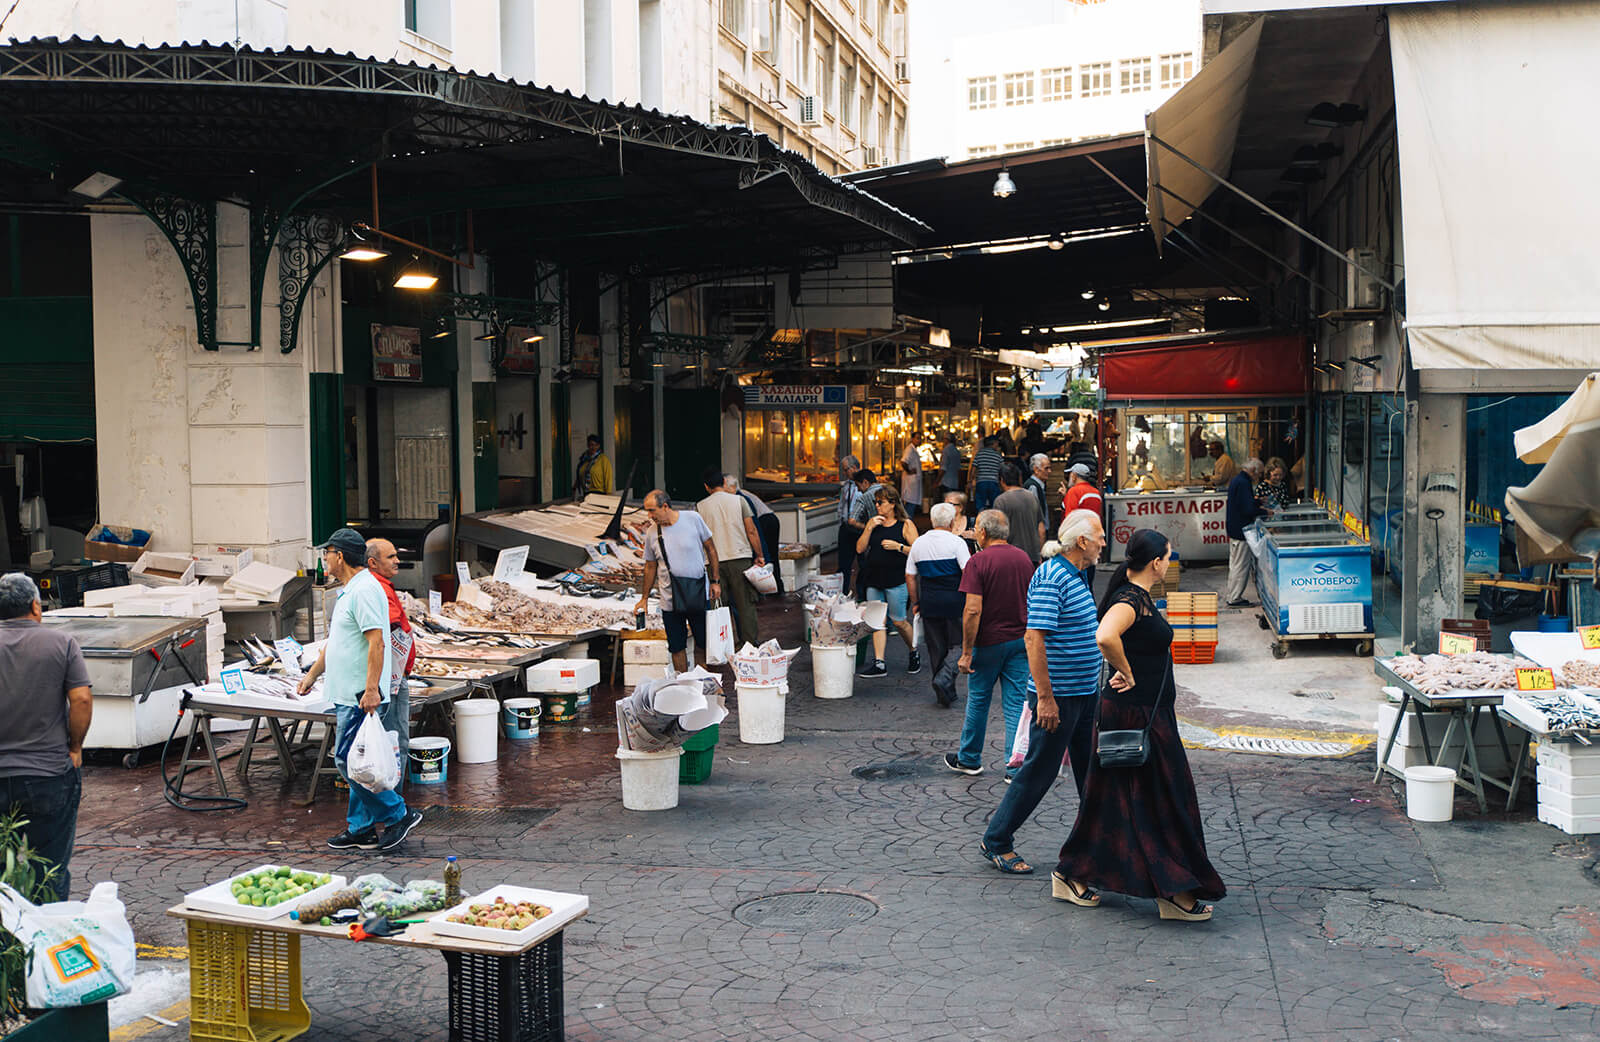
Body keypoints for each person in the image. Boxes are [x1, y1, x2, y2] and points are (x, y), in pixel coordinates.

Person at [1051, 528, 1226, 921]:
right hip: (1135, 715)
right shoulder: (1130, 599)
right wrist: (1126, 672)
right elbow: (1105, 635)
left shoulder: (1138, 596)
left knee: (1118, 803)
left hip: (1145, 714)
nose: (1170, 561)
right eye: (1168, 556)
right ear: (1156, 562)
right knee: (1165, 798)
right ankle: (1172, 887)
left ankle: (1076, 873)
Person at [979, 510, 1106, 874]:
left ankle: (1098, 839)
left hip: (1082, 694)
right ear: (1081, 541)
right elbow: (1034, 639)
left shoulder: (1076, 574)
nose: (1103, 542)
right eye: (1098, 535)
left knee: (1089, 771)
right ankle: (997, 839)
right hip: (1059, 698)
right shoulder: (1053, 577)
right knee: (1039, 770)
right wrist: (1046, 699)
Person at [299, 528, 423, 852]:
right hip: (347, 692)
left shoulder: (364, 590)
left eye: (326, 554)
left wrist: (371, 690)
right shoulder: (349, 590)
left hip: (359, 695)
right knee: (357, 759)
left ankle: (398, 813)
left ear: (339, 556)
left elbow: (377, 642)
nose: (324, 560)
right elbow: (338, 642)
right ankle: (361, 828)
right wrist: (312, 674)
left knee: (346, 760)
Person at [0, 573, 91, 900]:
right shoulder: (61, 643)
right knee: (49, 869)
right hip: (48, 774)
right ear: (35, 607)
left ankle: (8, 943)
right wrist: (75, 746)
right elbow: (81, 699)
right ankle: (45, 940)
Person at [946, 510, 1034, 778]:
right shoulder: (1024, 559)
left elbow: (973, 610)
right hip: (1019, 640)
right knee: (1017, 704)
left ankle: (970, 758)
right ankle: (1014, 765)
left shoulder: (978, 562)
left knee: (979, 700)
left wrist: (966, 652)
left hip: (987, 643)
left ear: (982, 532)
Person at [635, 490, 720, 673]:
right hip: (669, 599)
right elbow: (650, 567)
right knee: (676, 645)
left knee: (703, 641)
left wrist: (715, 580)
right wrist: (644, 598)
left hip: (697, 592)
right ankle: (683, 681)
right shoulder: (652, 532)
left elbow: (711, 549)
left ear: (665, 506)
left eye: (652, 511)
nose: (649, 516)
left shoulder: (693, 519)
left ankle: (702, 678)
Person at [905, 502, 971, 706]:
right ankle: (944, 680)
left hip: (929, 601)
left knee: (936, 647)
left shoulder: (919, 544)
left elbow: (910, 576)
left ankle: (943, 690)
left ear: (933, 521)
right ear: (952, 522)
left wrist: (916, 602)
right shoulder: (957, 543)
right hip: (955, 601)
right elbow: (968, 572)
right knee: (960, 644)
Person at [856, 486, 920, 678]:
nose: (877, 506)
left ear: (892, 504)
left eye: (880, 502)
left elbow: (918, 550)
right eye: (876, 502)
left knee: (899, 622)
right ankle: (879, 662)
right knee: (877, 622)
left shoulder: (905, 524)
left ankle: (913, 650)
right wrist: (868, 527)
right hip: (874, 579)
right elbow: (860, 549)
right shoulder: (873, 524)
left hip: (896, 580)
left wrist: (898, 547)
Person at [365, 538, 415, 780]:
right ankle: (393, 800)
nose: (397, 561)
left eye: (396, 555)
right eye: (391, 557)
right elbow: (390, 631)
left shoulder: (379, 585)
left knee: (391, 737)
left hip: (389, 676)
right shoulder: (380, 589)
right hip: (391, 679)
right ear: (372, 562)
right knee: (395, 739)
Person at [699, 468, 764, 646]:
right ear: (724, 483)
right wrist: (759, 555)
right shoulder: (739, 500)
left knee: (718, 606)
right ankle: (749, 643)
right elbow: (751, 530)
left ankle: (721, 645)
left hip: (713, 562)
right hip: (740, 557)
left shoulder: (700, 506)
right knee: (745, 604)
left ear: (706, 487)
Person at [1225, 459, 1272, 607]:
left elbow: (1244, 503)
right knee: (1241, 565)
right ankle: (1235, 598)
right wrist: (1265, 511)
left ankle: (1232, 595)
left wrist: (1257, 501)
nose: (1258, 476)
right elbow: (1247, 509)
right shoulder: (1244, 483)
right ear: (1253, 470)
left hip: (1234, 528)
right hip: (1241, 530)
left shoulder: (1238, 480)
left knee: (1235, 565)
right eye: (1259, 473)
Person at [726, 477, 783, 596]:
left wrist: (759, 552)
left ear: (731, 486)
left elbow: (752, 526)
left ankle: (770, 587)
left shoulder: (741, 498)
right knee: (772, 555)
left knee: (767, 555)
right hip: (770, 519)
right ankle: (776, 587)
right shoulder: (741, 495)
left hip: (766, 520)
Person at [1060, 461, 1105, 590]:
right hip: (1093, 538)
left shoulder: (1074, 492)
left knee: (1077, 582)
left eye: (1070, 475)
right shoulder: (1095, 492)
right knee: (1088, 582)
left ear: (1074, 476)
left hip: (1079, 542)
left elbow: (1070, 519)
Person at [994, 462, 1046, 564]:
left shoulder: (1001, 501)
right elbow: (1042, 530)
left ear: (1001, 480)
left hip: (1010, 558)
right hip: (1033, 556)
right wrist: (1040, 553)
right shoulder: (1032, 497)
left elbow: (998, 533)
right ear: (1019, 478)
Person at [847, 468, 885, 599]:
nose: (858, 490)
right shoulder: (891, 491)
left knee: (868, 570)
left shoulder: (865, 497)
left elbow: (852, 520)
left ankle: (865, 599)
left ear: (865, 482)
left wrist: (868, 526)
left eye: (858, 486)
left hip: (874, 538)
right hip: (894, 535)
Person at [835, 456, 862, 596]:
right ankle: (842, 593)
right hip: (846, 528)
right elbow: (842, 505)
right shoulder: (846, 486)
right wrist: (841, 522)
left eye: (846, 470)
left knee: (862, 564)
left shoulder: (863, 485)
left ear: (854, 468)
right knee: (844, 564)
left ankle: (862, 595)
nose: (845, 473)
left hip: (859, 528)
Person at [574, 434, 612, 499]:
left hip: (599, 493)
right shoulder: (584, 459)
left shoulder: (603, 459)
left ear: (598, 446)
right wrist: (575, 487)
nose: (593, 447)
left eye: (595, 445)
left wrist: (608, 494)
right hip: (587, 493)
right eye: (590, 445)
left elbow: (608, 477)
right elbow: (580, 473)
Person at [971, 436, 1004, 512]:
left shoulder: (979, 454)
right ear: (993, 443)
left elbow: (974, 469)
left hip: (981, 482)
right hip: (994, 482)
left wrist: (971, 480)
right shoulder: (998, 455)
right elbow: (1002, 469)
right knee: (994, 504)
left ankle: (980, 517)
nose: (998, 445)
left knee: (980, 504)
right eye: (997, 443)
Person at [1025, 454, 1051, 530]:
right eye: (1046, 468)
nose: (1049, 471)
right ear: (1036, 470)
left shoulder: (1038, 486)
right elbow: (1033, 514)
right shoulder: (1033, 487)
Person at [900, 439, 924, 518]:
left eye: (920, 438)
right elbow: (903, 462)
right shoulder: (909, 450)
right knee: (910, 503)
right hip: (910, 483)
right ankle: (907, 524)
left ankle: (908, 522)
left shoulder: (913, 449)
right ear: (912, 439)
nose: (919, 440)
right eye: (917, 438)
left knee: (912, 503)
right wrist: (909, 471)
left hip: (913, 483)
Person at [939, 432, 963, 501]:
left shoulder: (946, 450)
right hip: (954, 482)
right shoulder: (956, 451)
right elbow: (959, 468)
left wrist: (937, 481)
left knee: (946, 502)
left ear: (947, 440)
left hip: (946, 482)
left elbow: (943, 468)